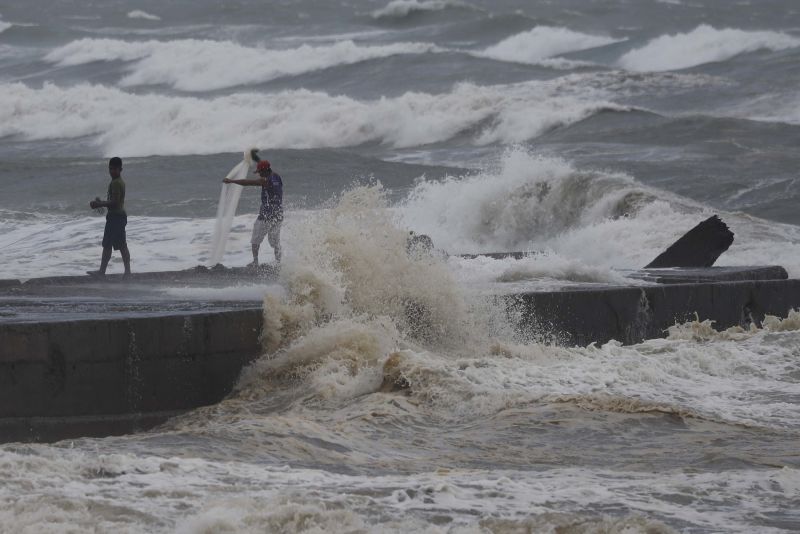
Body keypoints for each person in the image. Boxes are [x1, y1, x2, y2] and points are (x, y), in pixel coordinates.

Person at [223, 159, 283, 267]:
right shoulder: (277, 177)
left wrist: (232, 181)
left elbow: (248, 183)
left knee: (255, 239)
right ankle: (279, 262)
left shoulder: (265, 180)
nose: (259, 174)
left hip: (266, 215)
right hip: (278, 214)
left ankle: (255, 262)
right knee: (275, 242)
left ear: (264, 171)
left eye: (260, 171)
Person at [88, 157, 131, 277]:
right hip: (119, 217)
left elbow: (115, 202)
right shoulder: (118, 182)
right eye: (110, 169)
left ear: (120, 169)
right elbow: (114, 201)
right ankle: (127, 272)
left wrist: (99, 204)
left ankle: (102, 272)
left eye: (115, 169)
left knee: (107, 245)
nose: (112, 171)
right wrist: (102, 202)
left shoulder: (116, 183)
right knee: (122, 245)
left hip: (115, 218)